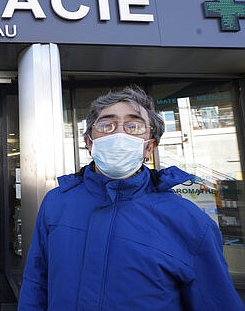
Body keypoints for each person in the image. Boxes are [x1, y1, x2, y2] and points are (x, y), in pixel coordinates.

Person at [18, 86, 244, 310]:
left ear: (150, 147)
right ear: (89, 142)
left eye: (134, 126)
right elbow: (36, 284)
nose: (119, 133)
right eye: (107, 125)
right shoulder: (57, 203)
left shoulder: (190, 222)